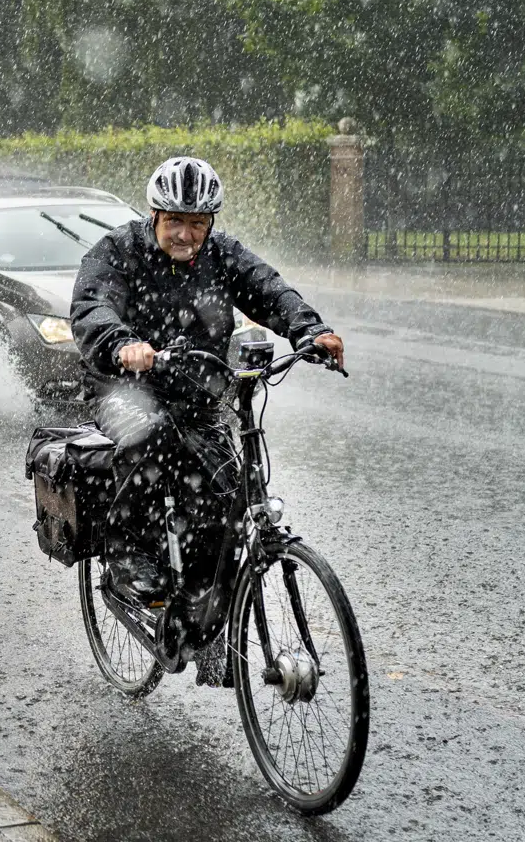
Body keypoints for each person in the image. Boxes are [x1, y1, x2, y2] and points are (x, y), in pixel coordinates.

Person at [69, 157, 344, 645]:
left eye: (197, 223)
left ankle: (201, 611)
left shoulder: (221, 256)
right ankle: (127, 555)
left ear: (210, 223)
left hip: (197, 391)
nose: (186, 235)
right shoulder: (117, 252)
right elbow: (93, 306)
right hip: (123, 387)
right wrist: (121, 344)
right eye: (175, 221)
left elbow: (268, 289)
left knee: (225, 495)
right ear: (154, 215)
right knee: (148, 433)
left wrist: (310, 329)